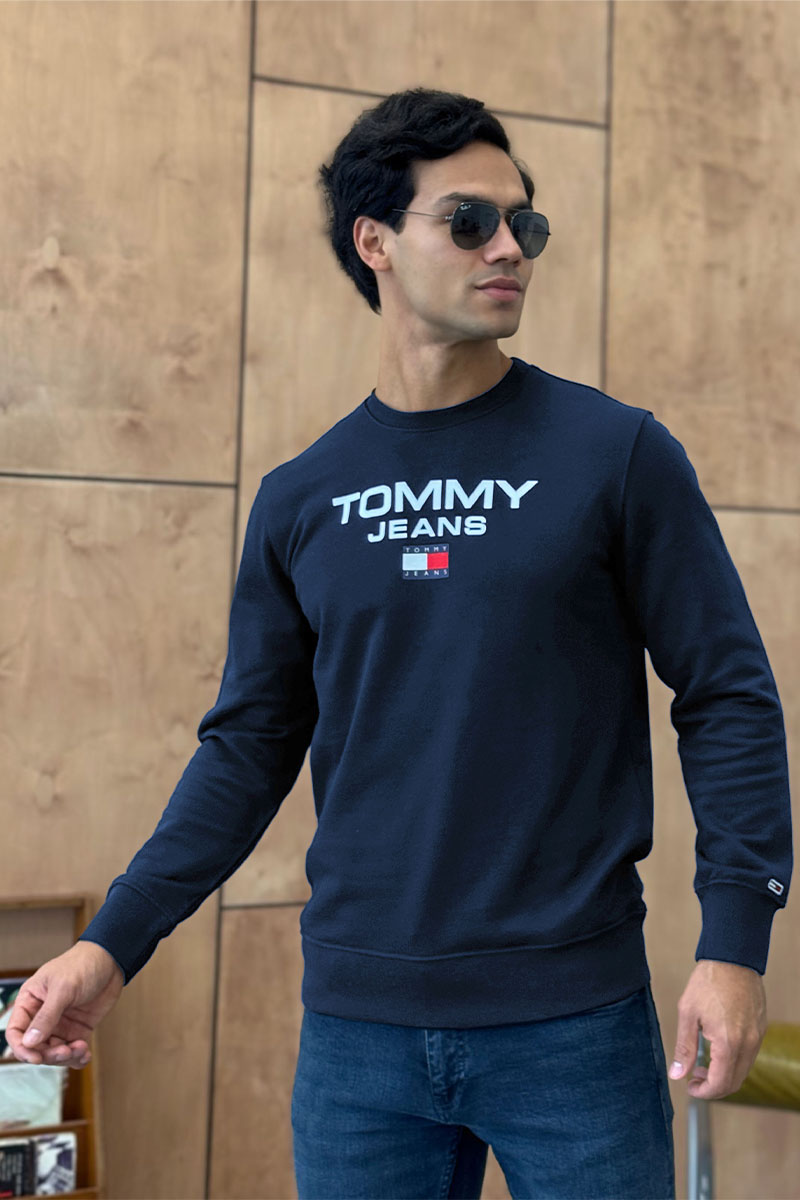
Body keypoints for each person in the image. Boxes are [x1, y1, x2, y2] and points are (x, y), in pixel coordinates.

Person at [7, 87, 793, 1200]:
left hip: (573, 1026)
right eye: (468, 221)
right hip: (357, 1041)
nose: (508, 246)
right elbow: (247, 749)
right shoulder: (301, 497)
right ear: (373, 241)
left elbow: (726, 694)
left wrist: (733, 941)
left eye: (523, 222)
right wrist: (112, 944)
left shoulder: (615, 455)